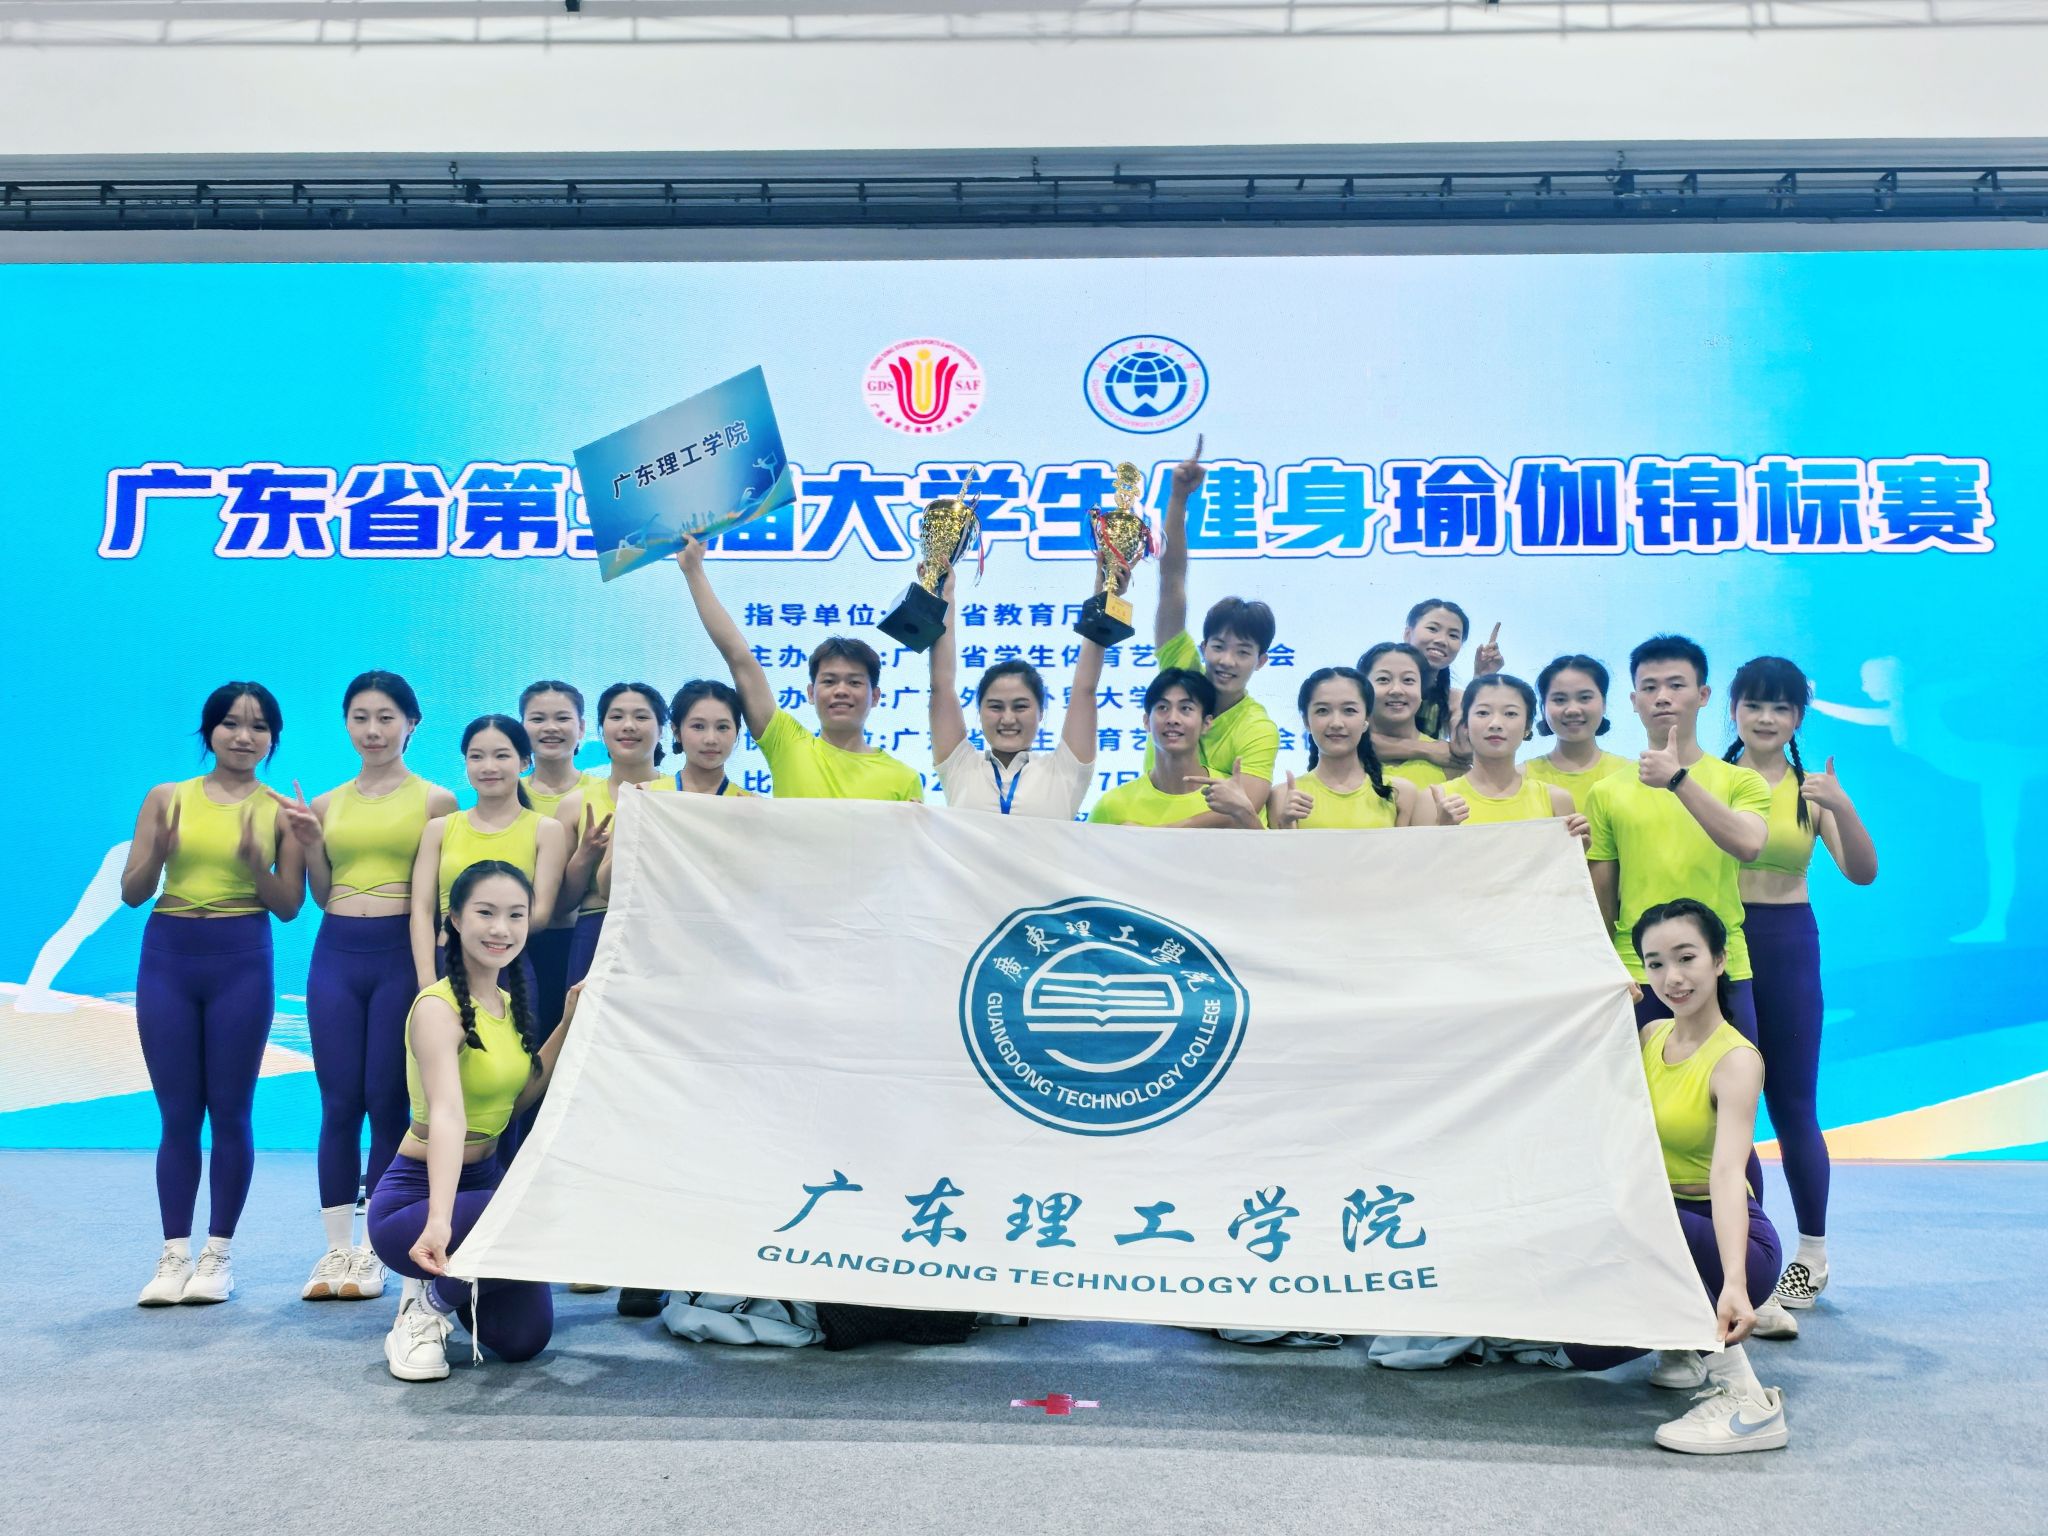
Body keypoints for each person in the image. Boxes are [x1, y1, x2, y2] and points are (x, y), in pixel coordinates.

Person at [1559, 900, 1789, 1455]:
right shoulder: (1649, 1036)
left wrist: (1735, 1283)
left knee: (1640, 1211)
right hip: (1656, 1227)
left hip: (1729, 1242)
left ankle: (1748, 1401)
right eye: (1655, 963)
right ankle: (1682, 1343)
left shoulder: (1736, 1060)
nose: (1672, 978)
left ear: (1719, 960)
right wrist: (1606, 1019)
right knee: (1584, 1352)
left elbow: (1729, 1175)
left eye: (1687, 958)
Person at [122, 682, 305, 1307]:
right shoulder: (166, 797)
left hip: (241, 958)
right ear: (209, 732)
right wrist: (158, 853)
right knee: (177, 1115)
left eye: (258, 726)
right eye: (230, 723)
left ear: (273, 738)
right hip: (168, 956)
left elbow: (288, 906)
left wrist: (256, 866)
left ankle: (217, 1255)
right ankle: (173, 1254)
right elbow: (132, 893)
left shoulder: (281, 811)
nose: (243, 736)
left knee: (230, 1111)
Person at [368, 860, 582, 1381]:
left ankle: (448, 1284)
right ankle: (424, 1310)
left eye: (515, 915)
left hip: (482, 1190)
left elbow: (517, 1100)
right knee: (533, 1204)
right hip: (415, 1202)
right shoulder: (436, 1008)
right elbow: (447, 1116)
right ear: (456, 920)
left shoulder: (508, 1004)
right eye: (486, 913)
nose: (501, 929)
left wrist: (568, 1022)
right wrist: (439, 1221)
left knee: (523, 1340)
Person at [282, 670, 456, 1304]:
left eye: (386, 717)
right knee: (338, 1102)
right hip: (335, 954)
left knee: (386, 1100)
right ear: (347, 724)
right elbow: (321, 893)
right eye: (360, 717)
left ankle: (378, 1248)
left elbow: (438, 897)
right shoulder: (325, 805)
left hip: (399, 957)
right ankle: (336, 1249)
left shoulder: (436, 801)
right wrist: (310, 844)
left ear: (411, 724)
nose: (373, 730)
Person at [1724, 656, 1879, 1338]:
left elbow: (1862, 873)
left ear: (1797, 718)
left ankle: (1811, 1256)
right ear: (1733, 708)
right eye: (1754, 704)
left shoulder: (1811, 790)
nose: (1766, 718)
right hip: (1718, 951)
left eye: (1781, 707)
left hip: (1787, 946)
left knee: (1791, 1106)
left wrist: (1841, 805)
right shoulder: (1706, 781)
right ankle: (1748, 1256)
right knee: (1727, 1108)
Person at [1584, 637, 1770, 1039]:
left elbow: (1749, 844)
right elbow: (1602, 900)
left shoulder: (1742, 781)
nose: (1662, 697)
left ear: (1703, 695)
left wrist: (1677, 780)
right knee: (1640, 1080)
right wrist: (1607, 968)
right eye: (1649, 687)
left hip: (1722, 965)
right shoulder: (1606, 792)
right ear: (1634, 701)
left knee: (1733, 1076)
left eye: (1676, 685)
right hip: (1638, 971)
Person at [678, 536, 923, 803]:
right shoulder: (787, 743)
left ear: (875, 696)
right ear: (810, 692)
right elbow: (739, 657)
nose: (841, 691)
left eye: (854, 682)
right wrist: (694, 571)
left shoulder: (904, 779)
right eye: (829, 681)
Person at [1150, 440, 1280, 825]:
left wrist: (1157, 837)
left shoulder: (1257, 727)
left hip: (1215, 854)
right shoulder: (1180, 671)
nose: (1226, 661)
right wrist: (1178, 499)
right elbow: (1171, 579)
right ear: (1203, 647)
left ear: (1261, 661)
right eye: (1219, 646)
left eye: (1243, 652)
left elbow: (1246, 806)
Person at [408, 715, 566, 992]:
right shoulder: (439, 829)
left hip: (511, 967)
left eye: (501, 756)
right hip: (448, 962)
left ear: (524, 762)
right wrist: (426, 980)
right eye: (477, 757)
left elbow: (540, 914)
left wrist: (490, 935)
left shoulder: (547, 830)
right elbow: (421, 910)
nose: (488, 767)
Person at [931, 574, 1102, 819]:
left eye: (1020, 706)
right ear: (979, 711)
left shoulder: (1065, 771)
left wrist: (1104, 594)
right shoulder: (959, 765)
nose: (1008, 718)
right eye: (995, 707)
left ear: (1041, 712)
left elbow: (1085, 688)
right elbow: (941, 685)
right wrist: (944, 595)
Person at [556, 682, 668, 990]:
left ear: (662, 729)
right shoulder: (574, 804)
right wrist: (585, 855)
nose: (628, 726)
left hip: (665, 931)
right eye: (616, 717)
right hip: (595, 930)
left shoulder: (678, 794)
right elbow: (561, 904)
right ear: (601, 729)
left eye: (641, 717)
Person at [519, 681, 600, 1044]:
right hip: (513, 945)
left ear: (581, 728)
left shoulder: (602, 793)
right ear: (521, 727)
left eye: (562, 718)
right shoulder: (503, 792)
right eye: (538, 719)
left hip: (582, 941)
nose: (550, 728)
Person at [1266, 667, 1439, 830]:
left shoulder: (1400, 793)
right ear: (1306, 722)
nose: (1336, 723)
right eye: (1322, 711)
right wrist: (1285, 826)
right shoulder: (1283, 796)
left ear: (1366, 720)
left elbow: (1409, 852)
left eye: (1349, 710)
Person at [1088, 670, 1262, 829]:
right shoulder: (1112, 806)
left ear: (1206, 723)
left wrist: (1244, 813)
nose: (1172, 719)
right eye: (1162, 708)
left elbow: (1265, 852)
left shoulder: (1231, 796)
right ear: (1147, 722)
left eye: (1186, 708)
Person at [1438, 674, 1588, 842]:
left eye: (1510, 713)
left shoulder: (1556, 800)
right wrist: (1441, 829)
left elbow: (1562, 859)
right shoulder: (1437, 799)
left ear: (1527, 727)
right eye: (1483, 713)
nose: (1495, 723)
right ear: (1465, 724)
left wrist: (1579, 849)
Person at [1371, 600, 1504, 771]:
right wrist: (1428, 749)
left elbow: (1465, 749)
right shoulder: (1372, 688)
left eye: (1453, 635)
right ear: (1408, 634)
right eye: (1433, 629)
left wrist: (1481, 679)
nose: (1442, 640)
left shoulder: (1453, 699)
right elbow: (1352, 738)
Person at [1359, 642, 1462, 815]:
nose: (1396, 690)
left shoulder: (1448, 760)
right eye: (1383, 679)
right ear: (1364, 689)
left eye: (1408, 680)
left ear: (1422, 690)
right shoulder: (1344, 753)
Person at [1523, 654, 1631, 811]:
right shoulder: (1520, 778)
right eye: (1560, 699)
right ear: (1543, 707)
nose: (1572, 710)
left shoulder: (1631, 774)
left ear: (1604, 703)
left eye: (1585, 697)